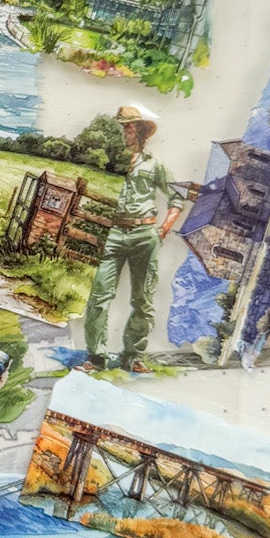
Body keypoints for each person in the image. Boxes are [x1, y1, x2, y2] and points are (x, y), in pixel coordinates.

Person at [79, 104, 189, 374]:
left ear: (139, 130)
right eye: (120, 127)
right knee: (98, 299)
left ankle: (133, 357)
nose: (123, 132)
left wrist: (163, 229)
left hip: (144, 234)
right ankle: (96, 358)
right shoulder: (107, 160)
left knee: (143, 301)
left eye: (127, 127)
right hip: (112, 234)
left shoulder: (154, 164)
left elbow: (176, 197)